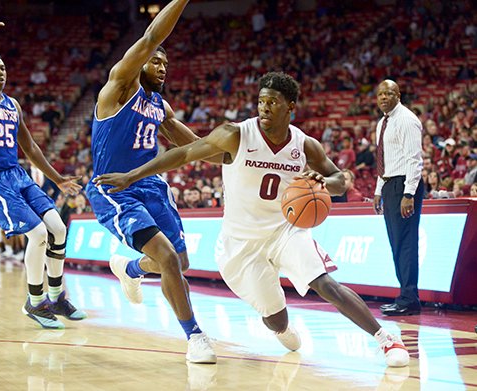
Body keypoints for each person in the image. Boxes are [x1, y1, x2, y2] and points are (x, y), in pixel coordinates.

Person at [94, 72, 410, 368]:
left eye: (272, 102)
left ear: (291, 107)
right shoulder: (235, 134)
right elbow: (184, 153)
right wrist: (132, 175)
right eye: (261, 101)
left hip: (287, 230)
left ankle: (385, 339)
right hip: (241, 246)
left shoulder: (304, 145)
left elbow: (341, 179)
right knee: (277, 321)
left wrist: (326, 183)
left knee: (324, 283)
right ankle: (281, 328)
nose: (264, 108)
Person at [85, 0, 216, 364]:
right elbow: (150, 36)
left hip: (152, 186)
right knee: (168, 259)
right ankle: (195, 337)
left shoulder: (160, 105)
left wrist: (226, 156)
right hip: (115, 188)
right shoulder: (118, 89)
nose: (161, 67)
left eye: (166, 64)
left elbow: (184, 138)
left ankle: (130, 269)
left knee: (181, 261)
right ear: (139, 63)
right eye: (155, 61)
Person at [0, 0, 86, 329]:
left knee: (58, 227)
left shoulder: (13, 105)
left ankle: (56, 296)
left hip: (16, 174)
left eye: (3, 68)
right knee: (39, 233)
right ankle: (35, 300)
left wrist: (56, 178)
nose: (1, 72)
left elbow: (30, 147)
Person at [373, 80, 424, 316]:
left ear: (398, 95)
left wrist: (408, 193)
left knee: (405, 243)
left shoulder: (406, 119)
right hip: (389, 184)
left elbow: (414, 159)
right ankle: (405, 295)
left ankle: (409, 298)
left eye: (389, 93)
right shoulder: (382, 123)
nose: (384, 97)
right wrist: (377, 190)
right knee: (397, 242)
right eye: (381, 94)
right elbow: (384, 159)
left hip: (404, 184)